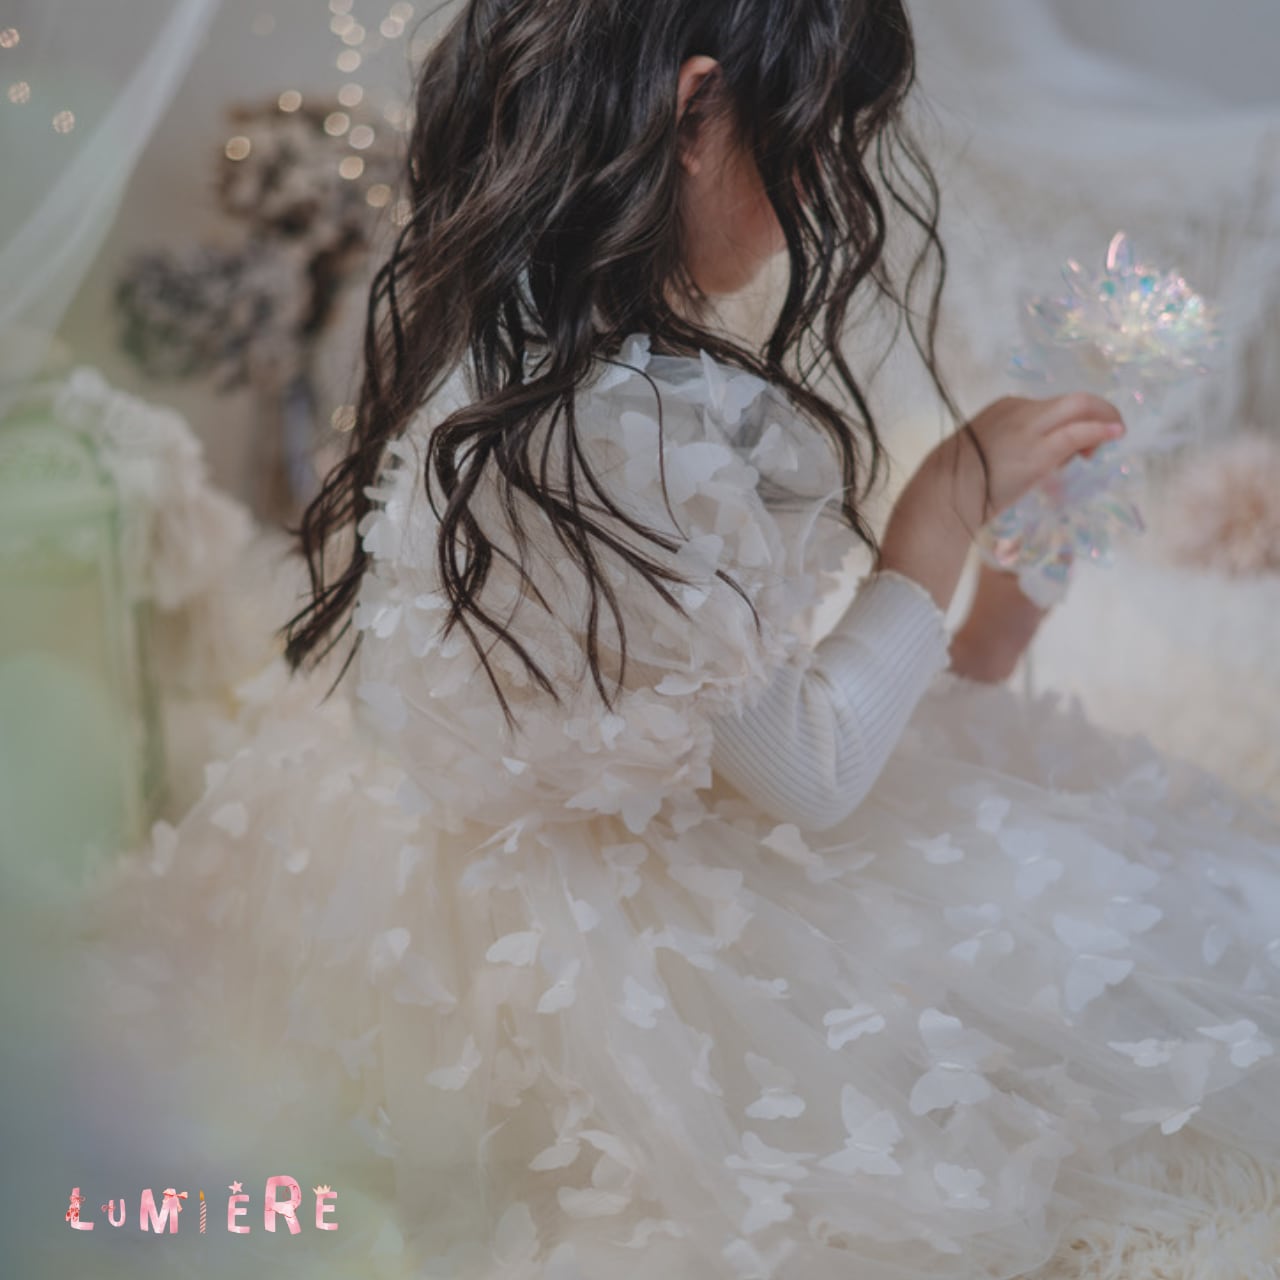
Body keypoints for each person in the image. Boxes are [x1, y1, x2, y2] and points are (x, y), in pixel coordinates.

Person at [69, 0, 1280, 1276]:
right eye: (807, 146)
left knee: (1071, 861)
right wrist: (938, 507)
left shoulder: (517, 355)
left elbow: (742, 708)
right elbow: (810, 770)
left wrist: (990, 609)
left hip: (506, 836)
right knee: (1116, 947)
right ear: (695, 114)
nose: (819, 193)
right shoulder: (613, 431)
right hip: (587, 947)